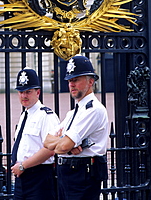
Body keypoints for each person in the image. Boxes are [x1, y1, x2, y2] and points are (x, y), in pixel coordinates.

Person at [44, 55, 108, 200]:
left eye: (76, 80)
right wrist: (63, 141)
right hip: (67, 173)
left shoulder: (94, 110)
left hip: (82, 175)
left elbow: (61, 148)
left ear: (90, 81)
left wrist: (63, 143)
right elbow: (46, 141)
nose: (71, 84)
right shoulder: (74, 112)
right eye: (70, 81)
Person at [11, 67, 60, 200]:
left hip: (39, 177)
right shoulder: (25, 115)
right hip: (21, 177)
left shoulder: (46, 115)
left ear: (38, 92)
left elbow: (50, 149)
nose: (24, 96)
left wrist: (22, 165)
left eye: (28, 92)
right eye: (21, 92)